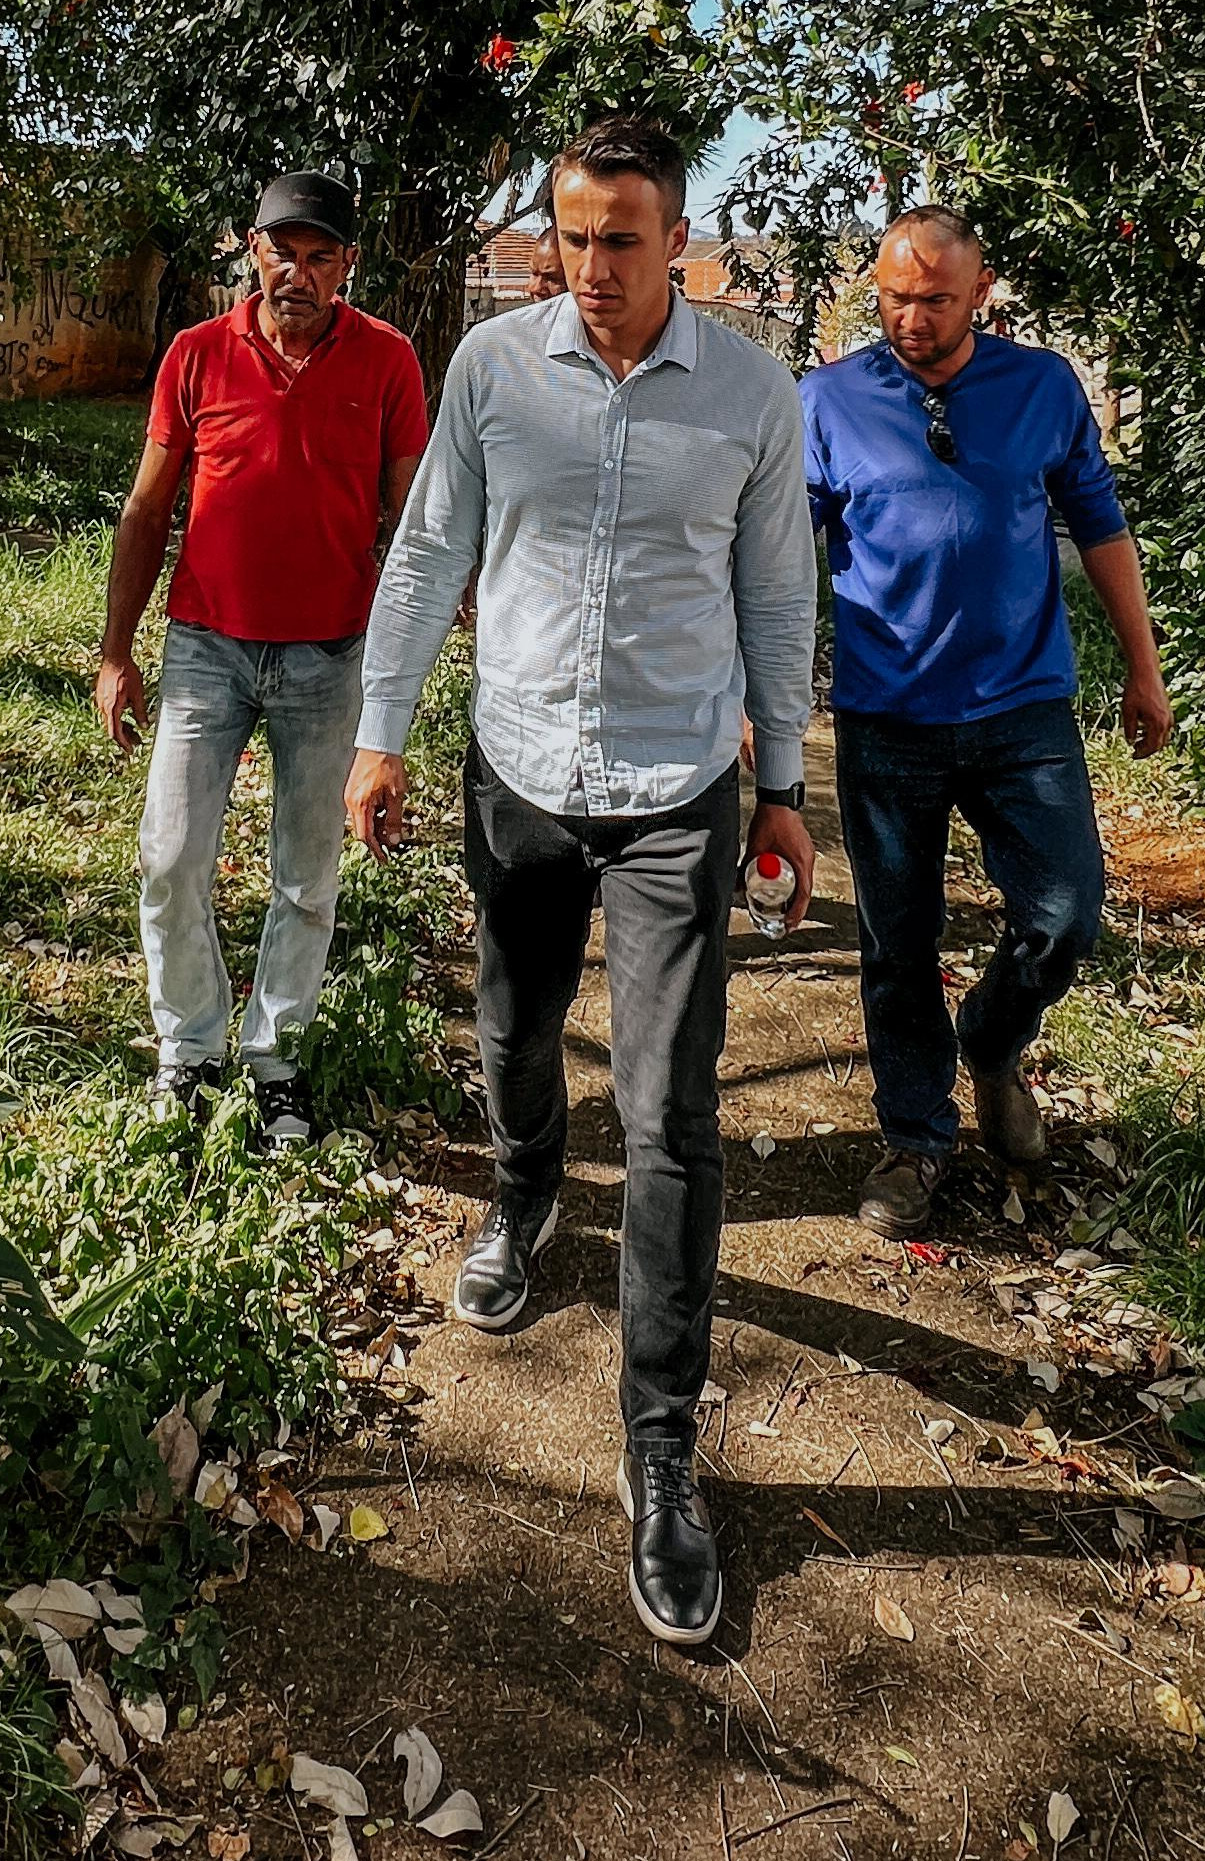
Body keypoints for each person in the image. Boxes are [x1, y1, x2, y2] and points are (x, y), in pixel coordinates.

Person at [348, 115, 817, 1649]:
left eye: (625, 239)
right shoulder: (495, 372)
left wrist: (786, 788)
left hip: (678, 795)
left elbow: (774, 594)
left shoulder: (754, 394)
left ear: (676, 239)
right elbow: (427, 557)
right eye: (571, 235)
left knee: (677, 1112)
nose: (594, 266)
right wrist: (380, 736)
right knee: (514, 1034)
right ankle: (525, 1188)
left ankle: (661, 1447)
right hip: (521, 775)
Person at [797, 206, 1171, 1237]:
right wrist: (764, 693)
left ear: (981, 292)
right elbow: (779, 558)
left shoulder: (1041, 386)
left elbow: (1099, 521)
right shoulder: (826, 402)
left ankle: (994, 1041)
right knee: (896, 943)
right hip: (888, 719)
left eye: (935, 299)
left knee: (1067, 912)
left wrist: (1144, 669)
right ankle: (916, 1141)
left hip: (1022, 711)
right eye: (893, 297)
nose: (911, 318)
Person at [98, 172, 429, 1144]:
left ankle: (273, 1058)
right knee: (169, 858)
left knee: (306, 877)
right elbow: (147, 510)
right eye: (282, 250)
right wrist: (116, 653)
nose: (297, 271)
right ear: (253, 250)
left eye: (319, 255)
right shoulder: (197, 356)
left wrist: (405, 677)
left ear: (347, 266)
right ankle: (191, 1049)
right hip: (206, 650)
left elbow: (414, 520)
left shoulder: (388, 362)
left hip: (330, 659)